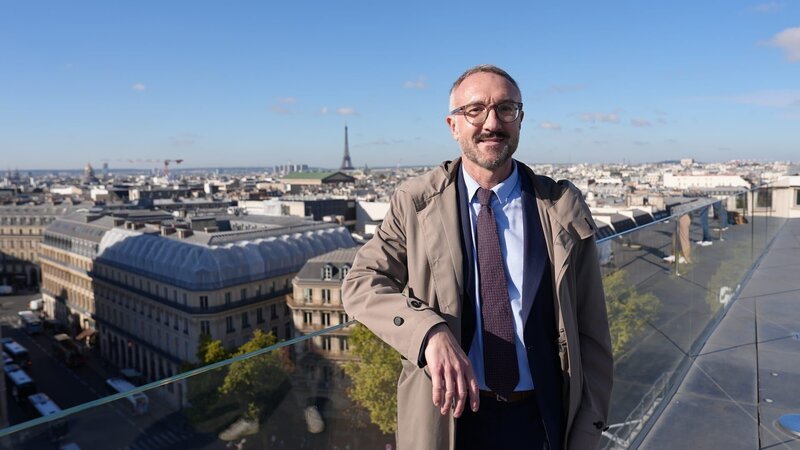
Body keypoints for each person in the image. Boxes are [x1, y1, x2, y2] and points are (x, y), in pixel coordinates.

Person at [342, 64, 613, 449]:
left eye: (506, 108)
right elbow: (360, 284)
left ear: (520, 120)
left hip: (543, 418)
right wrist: (427, 332)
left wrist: (588, 430)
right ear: (453, 125)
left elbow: (592, 333)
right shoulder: (416, 202)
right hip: (451, 420)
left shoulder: (560, 205)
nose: (492, 122)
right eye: (475, 110)